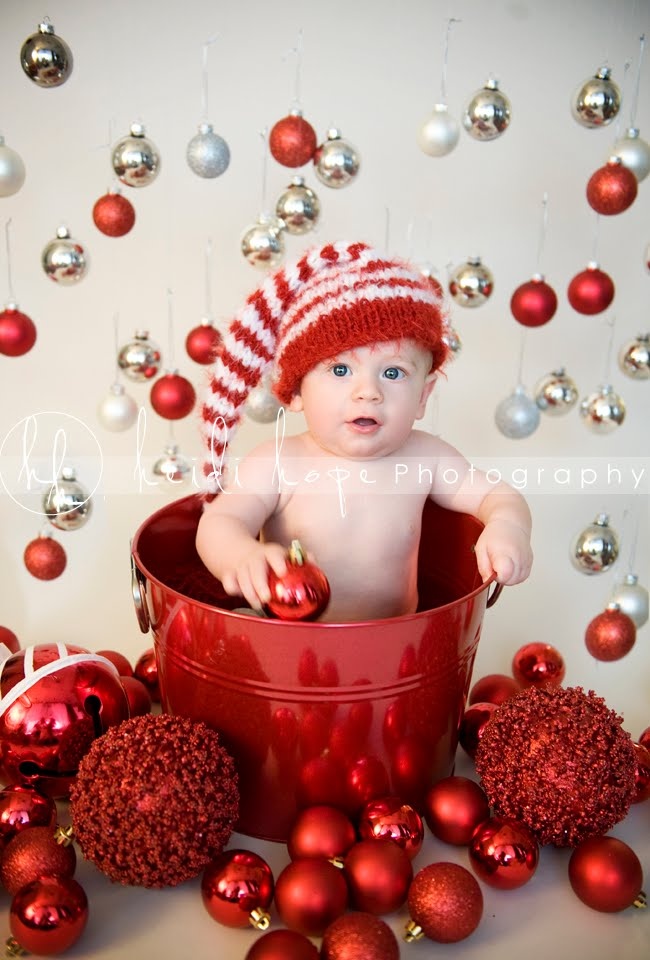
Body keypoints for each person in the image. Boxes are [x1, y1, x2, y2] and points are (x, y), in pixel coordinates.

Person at [196, 240, 532, 621]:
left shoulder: (427, 458)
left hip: (398, 653)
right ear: (294, 389)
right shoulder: (278, 463)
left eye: (393, 373)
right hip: (290, 653)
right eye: (340, 370)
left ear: (423, 395)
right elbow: (220, 522)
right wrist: (240, 556)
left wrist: (507, 525)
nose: (368, 392)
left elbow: (496, 495)